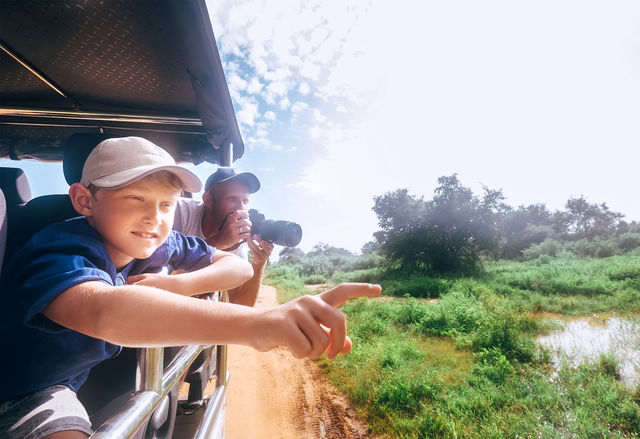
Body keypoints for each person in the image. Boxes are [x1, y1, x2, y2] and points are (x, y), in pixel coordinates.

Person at [0, 136, 381, 439]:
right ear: (85, 200)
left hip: (62, 382)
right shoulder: (59, 249)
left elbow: (235, 266)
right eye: (136, 199)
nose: (154, 217)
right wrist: (259, 323)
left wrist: (175, 283)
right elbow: (104, 310)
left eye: (167, 205)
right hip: (21, 390)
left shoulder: (154, 242)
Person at [173, 166, 274, 306]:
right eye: (232, 199)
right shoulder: (178, 213)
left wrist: (258, 264)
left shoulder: (238, 243)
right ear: (207, 200)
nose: (241, 208)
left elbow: (241, 306)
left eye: (245, 201)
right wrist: (219, 243)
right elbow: (157, 282)